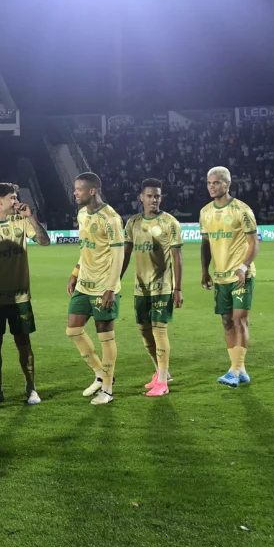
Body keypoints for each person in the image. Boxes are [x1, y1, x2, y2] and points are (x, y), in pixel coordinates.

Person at [0, 182, 51, 406]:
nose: (17, 201)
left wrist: (31, 217)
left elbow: (44, 241)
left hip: (20, 297)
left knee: (23, 343)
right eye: (13, 197)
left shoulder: (22, 222)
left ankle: (31, 388)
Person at [65, 173, 125, 405]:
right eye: (75, 188)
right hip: (84, 283)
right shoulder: (82, 214)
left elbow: (118, 255)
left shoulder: (111, 218)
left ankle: (108, 390)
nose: (75, 193)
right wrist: (75, 272)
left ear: (92, 191)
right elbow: (85, 248)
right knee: (73, 331)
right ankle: (101, 374)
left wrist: (111, 288)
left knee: (105, 337)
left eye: (79, 189)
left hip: (103, 287)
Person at [120, 179, 183, 397]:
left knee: (159, 329)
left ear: (160, 198)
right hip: (141, 287)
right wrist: (115, 280)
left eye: (157, 196)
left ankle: (163, 382)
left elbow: (177, 257)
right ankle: (160, 372)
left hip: (162, 286)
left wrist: (178, 289)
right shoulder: (132, 223)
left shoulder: (169, 222)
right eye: (149, 195)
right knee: (144, 331)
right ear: (141, 197)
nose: (153, 199)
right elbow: (125, 254)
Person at [199, 166, 259, 388]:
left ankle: (235, 370)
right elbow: (206, 244)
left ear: (227, 184)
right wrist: (205, 270)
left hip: (241, 274)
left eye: (216, 182)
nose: (212, 186)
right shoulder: (205, 212)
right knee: (226, 321)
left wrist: (243, 266)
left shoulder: (242, 211)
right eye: (209, 183)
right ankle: (239, 370)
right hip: (220, 276)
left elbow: (254, 243)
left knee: (239, 319)